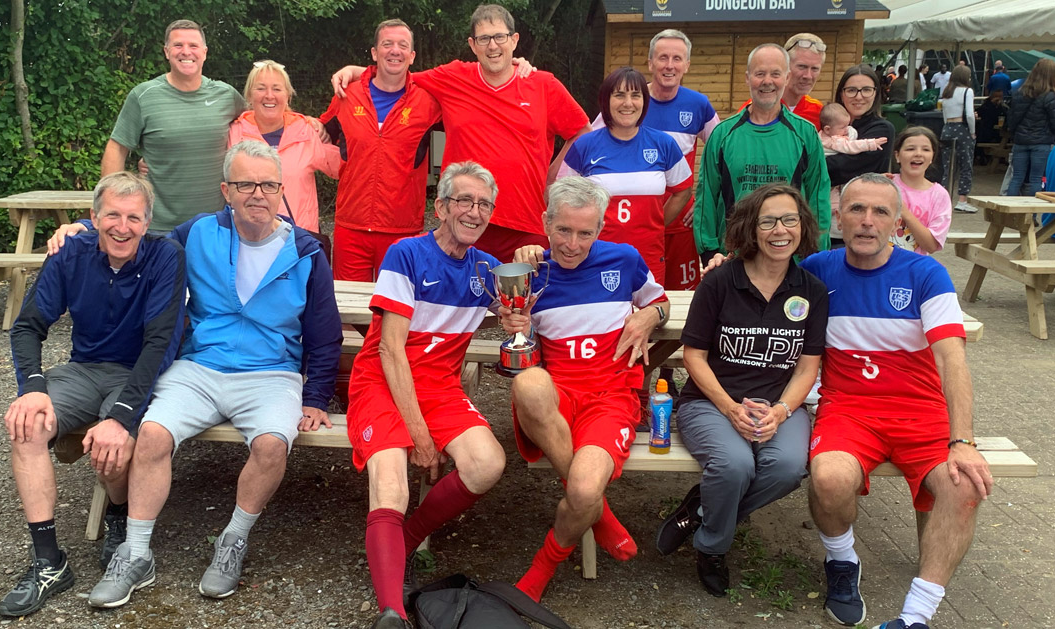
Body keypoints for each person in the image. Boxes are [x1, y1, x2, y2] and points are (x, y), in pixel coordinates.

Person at [87, 141, 342, 608]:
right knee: (152, 434)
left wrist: (316, 397)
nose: (257, 194)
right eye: (245, 184)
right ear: (227, 190)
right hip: (199, 367)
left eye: (267, 184)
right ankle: (136, 552)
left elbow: (325, 336)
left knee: (271, 445)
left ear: (281, 189)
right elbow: (131, 241)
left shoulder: (306, 252)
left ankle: (233, 540)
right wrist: (80, 231)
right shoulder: (197, 233)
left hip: (271, 374)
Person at [804, 173, 991, 629]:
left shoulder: (926, 273)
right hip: (848, 410)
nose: (867, 222)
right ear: (839, 218)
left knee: (964, 485)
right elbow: (757, 283)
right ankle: (843, 562)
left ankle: (916, 617)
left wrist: (962, 438)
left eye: (881, 212)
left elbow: (952, 359)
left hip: (920, 413)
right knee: (828, 478)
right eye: (856, 210)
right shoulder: (815, 268)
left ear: (899, 223)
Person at [0, 173, 186, 618]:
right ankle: (48, 561)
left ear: (148, 222)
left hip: (136, 370)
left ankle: (118, 513)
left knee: (113, 448)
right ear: (94, 218)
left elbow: (159, 345)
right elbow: (28, 326)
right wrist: (33, 389)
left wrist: (119, 417)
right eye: (113, 216)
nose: (123, 227)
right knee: (26, 427)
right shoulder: (71, 253)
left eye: (134, 218)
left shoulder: (165, 256)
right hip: (83, 367)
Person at [347, 162, 507, 628]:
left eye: (484, 204)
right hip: (383, 379)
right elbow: (391, 352)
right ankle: (392, 612)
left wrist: (518, 318)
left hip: (438, 385)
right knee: (393, 484)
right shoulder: (406, 253)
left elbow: (517, 309)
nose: (474, 212)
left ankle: (409, 535)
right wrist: (419, 435)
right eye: (464, 200)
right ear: (441, 207)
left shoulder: (488, 269)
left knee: (488, 463)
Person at [654, 183, 826, 597]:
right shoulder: (719, 282)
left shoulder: (812, 290)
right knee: (734, 466)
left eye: (789, 219)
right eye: (768, 221)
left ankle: (701, 510)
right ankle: (712, 547)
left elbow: (807, 367)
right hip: (712, 402)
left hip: (779, 406)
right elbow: (693, 356)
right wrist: (730, 408)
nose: (779, 230)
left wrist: (781, 411)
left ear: (802, 226)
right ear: (751, 228)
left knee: (788, 468)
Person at [503, 177, 669, 603]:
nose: (572, 244)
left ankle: (545, 563)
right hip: (556, 401)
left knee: (581, 492)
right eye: (563, 230)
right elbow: (509, 329)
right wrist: (515, 322)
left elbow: (660, 301)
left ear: (600, 228)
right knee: (529, 381)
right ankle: (603, 514)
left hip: (609, 399)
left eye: (585, 232)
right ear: (545, 223)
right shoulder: (530, 269)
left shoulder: (625, 259)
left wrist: (651, 316)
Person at [332, 5, 589, 263]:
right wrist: (358, 71)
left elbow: (582, 132)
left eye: (500, 37)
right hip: (463, 222)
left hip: (525, 226)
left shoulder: (543, 84)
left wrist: (553, 178)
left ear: (514, 40)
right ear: (472, 44)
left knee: (524, 302)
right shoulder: (453, 77)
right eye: (483, 39)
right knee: (459, 302)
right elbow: (397, 78)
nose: (492, 46)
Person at [592, 29, 719, 292]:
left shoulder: (699, 105)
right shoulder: (628, 103)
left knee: (676, 297)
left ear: (687, 65)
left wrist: (706, 203)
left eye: (677, 58)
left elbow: (722, 155)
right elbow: (588, 145)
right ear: (650, 63)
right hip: (632, 226)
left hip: (680, 223)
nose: (669, 65)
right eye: (662, 58)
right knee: (630, 293)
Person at [320, 19, 443, 281]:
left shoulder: (429, 101)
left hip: (402, 230)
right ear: (375, 53)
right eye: (387, 44)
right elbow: (318, 132)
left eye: (402, 45)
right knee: (350, 311)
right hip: (350, 227)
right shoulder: (346, 94)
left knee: (396, 310)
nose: (394, 50)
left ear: (412, 56)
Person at [103, 19, 246, 232]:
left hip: (214, 228)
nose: (186, 52)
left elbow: (260, 124)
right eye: (178, 45)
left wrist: (307, 123)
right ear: (166, 51)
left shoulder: (226, 95)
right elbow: (116, 148)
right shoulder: (143, 96)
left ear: (204, 52)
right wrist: (111, 206)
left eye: (193, 46)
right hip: (157, 229)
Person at [696, 43, 831, 265]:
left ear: (786, 78)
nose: (767, 81)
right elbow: (707, 196)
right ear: (748, 78)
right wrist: (709, 251)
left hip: (790, 259)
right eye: (760, 74)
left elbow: (818, 196)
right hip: (735, 257)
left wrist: (815, 252)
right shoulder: (723, 135)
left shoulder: (805, 133)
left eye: (775, 74)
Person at [558, 66, 692, 284]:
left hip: (648, 255)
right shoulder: (585, 145)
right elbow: (561, 198)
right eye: (619, 95)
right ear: (606, 101)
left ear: (644, 101)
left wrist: (657, 224)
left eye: (635, 95)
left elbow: (683, 191)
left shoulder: (664, 144)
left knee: (648, 315)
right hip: (595, 256)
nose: (628, 103)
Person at [229, 60, 339, 233]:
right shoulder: (234, 133)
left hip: (298, 240)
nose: (269, 95)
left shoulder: (305, 132)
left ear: (288, 95)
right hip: (248, 240)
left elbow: (345, 167)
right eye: (261, 88)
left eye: (277, 89)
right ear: (249, 95)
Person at [825, 64, 896, 245]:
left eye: (866, 90)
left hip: (863, 226)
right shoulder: (827, 126)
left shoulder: (881, 129)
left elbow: (841, 169)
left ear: (876, 93)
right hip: (826, 226)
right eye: (851, 90)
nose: (859, 96)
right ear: (841, 93)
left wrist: (820, 164)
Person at [738, 33, 828, 130]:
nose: (808, 76)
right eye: (802, 67)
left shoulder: (819, 112)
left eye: (815, 69)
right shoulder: (753, 110)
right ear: (786, 67)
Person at [889, 126, 953, 255]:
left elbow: (932, 246)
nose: (918, 153)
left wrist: (905, 213)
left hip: (915, 268)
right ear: (897, 155)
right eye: (910, 149)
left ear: (932, 157)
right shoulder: (884, 185)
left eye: (925, 149)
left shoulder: (939, 195)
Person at [1006, 58, 1055, 197]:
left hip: (1020, 141)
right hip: (1042, 142)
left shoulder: (1020, 93)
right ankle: (1032, 215)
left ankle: (1012, 214)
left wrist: (1015, 134)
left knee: (1016, 179)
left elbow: (1012, 119)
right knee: (1036, 179)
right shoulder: (1050, 96)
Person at [938, 65, 978, 213]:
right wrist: (972, 131)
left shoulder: (947, 92)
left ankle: (944, 200)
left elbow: (944, 114)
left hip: (947, 128)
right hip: (962, 129)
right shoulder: (968, 91)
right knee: (966, 165)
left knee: (948, 167)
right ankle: (962, 200)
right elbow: (969, 114)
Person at [819, 103, 889, 156]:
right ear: (827, 129)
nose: (846, 129)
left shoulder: (822, 134)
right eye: (842, 127)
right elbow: (850, 146)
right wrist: (869, 144)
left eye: (848, 125)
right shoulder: (833, 141)